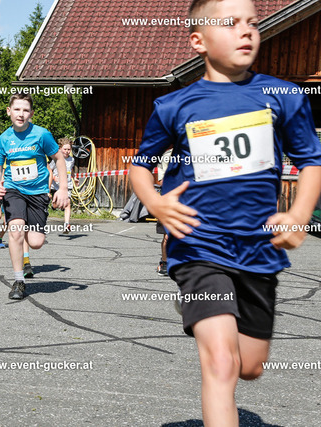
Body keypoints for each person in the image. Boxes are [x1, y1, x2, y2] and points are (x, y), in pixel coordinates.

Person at [129, 0, 321, 425]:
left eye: (253, 22)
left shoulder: (284, 96)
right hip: (199, 247)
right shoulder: (173, 105)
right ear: (199, 41)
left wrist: (298, 214)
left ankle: (209, 311)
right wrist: (155, 202)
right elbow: (140, 165)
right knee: (221, 362)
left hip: (258, 252)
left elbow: (311, 161)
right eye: (231, 23)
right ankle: (200, 303)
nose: (247, 30)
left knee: (249, 366)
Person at [0, 93, 70, 300]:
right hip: (13, 189)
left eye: (25, 110)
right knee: (16, 230)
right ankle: (19, 281)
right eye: (17, 109)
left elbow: (59, 159)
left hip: (38, 192)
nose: (21, 114)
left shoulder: (42, 134)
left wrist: (63, 188)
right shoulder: (3, 139)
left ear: (31, 113)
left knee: (36, 242)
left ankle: (26, 227)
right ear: (9, 111)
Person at [48, 138, 78, 234]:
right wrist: (54, 178)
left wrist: (74, 178)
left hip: (67, 184)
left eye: (69, 149)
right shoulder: (55, 159)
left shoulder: (71, 159)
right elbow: (49, 170)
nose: (67, 151)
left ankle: (66, 224)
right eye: (65, 149)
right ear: (60, 149)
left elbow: (71, 170)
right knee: (56, 204)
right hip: (56, 186)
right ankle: (53, 205)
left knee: (68, 203)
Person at [156, 149, 173, 276]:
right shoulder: (168, 155)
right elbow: (162, 181)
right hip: (169, 199)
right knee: (167, 235)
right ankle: (165, 263)